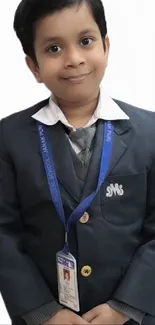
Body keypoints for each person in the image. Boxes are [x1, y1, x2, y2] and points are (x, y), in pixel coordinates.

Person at [0, 0, 155, 325]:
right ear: (34, 67)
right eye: (54, 48)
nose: (74, 59)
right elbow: (3, 233)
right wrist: (41, 311)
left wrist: (127, 306)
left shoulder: (150, 132)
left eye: (86, 41)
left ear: (106, 46)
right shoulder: (9, 137)